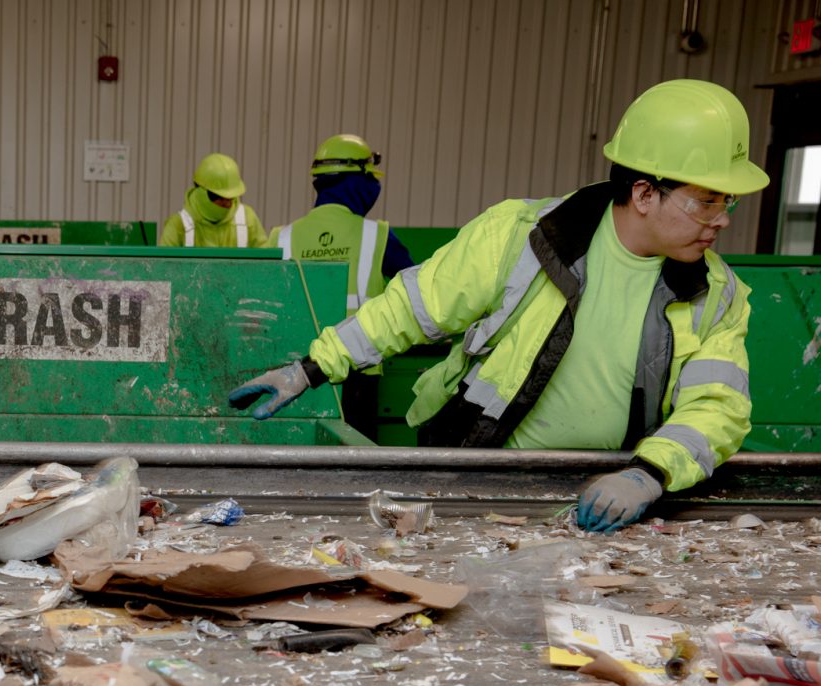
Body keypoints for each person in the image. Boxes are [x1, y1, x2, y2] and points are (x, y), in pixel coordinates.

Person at [228, 79, 767, 533]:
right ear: (646, 193)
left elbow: (716, 407)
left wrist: (647, 474)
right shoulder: (524, 236)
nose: (722, 219)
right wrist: (310, 368)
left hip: (607, 494)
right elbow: (413, 307)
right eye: (707, 201)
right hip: (482, 473)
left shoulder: (717, 294)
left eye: (729, 201)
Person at [265, 134, 415, 439]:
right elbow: (417, 291)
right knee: (355, 457)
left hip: (296, 371)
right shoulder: (377, 236)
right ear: (359, 182)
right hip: (358, 372)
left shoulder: (282, 237)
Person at [158, 153, 266, 248]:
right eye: (218, 197)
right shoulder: (178, 226)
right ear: (200, 190)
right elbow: (162, 263)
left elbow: (266, 260)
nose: (226, 203)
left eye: (230, 198)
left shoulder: (248, 220)